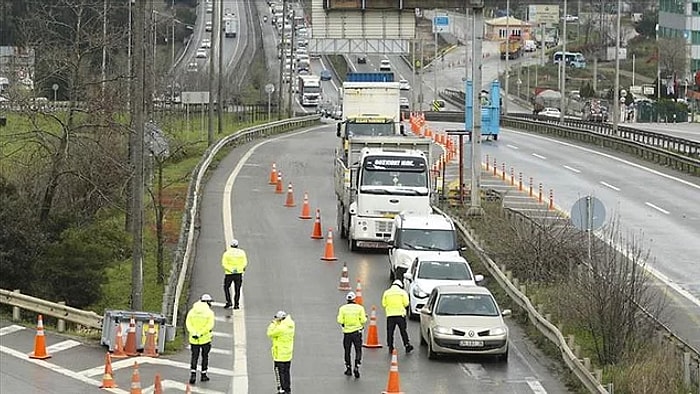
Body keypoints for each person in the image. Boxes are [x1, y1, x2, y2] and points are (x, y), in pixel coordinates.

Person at [186, 293, 216, 384]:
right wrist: (200, 333)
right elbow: (209, 326)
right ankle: (203, 375)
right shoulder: (209, 313)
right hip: (205, 339)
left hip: (193, 339)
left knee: (194, 356)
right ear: (207, 302)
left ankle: (193, 374)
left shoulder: (192, 311)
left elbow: (188, 323)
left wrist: (194, 333)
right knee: (205, 357)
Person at [336, 291, 367, 378]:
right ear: (354, 299)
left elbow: (340, 320)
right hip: (357, 332)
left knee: (347, 351)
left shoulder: (342, 309)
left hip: (347, 333)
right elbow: (363, 320)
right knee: (358, 350)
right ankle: (357, 366)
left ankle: (348, 368)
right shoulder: (360, 308)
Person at [382, 280, 413, 354]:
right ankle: (406, 345)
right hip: (400, 315)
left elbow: (384, 304)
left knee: (390, 332)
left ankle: (390, 346)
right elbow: (406, 303)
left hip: (390, 315)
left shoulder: (386, 293)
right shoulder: (402, 292)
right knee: (403, 331)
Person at [267, 310, 295, 394]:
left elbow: (270, 333)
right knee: (286, 373)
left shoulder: (280, 328)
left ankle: (281, 390)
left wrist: (273, 324)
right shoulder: (290, 325)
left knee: (279, 373)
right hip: (287, 354)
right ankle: (287, 389)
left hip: (279, 354)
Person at [221, 239, 248, 309]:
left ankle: (229, 301)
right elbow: (244, 263)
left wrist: (231, 270)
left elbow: (224, 264)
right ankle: (236, 304)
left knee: (226, 287)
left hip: (229, 273)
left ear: (231, 245)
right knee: (237, 289)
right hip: (238, 273)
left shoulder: (226, 253)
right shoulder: (242, 253)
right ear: (237, 245)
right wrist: (239, 269)